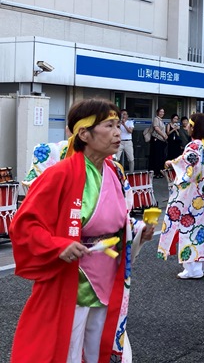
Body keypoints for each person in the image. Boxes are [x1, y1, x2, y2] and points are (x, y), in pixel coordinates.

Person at [11, 98, 155, 362]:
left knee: (98, 344)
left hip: (107, 273)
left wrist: (137, 229)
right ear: (84, 134)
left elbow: (117, 220)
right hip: (73, 277)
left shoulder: (114, 171)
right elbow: (24, 224)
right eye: (109, 125)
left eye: (117, 125)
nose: (117, 132)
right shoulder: (60, 174)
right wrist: (58, 245)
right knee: (67, 346)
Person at [158, 112, 204, 279]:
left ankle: (192, 269)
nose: (188, 127)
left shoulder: (194, 145)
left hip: (192, 194)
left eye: (190, 125)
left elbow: (187, 166)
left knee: (188, 226)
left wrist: (171, 163)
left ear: (194, 127)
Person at [150, 108, 168, 179]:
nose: (162, 113)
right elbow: (156, 128)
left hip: (161, 140)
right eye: (160, 112)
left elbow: (162, 130)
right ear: (157, 112)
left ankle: (159, 172)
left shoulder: (161, 120)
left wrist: (165, 135)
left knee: (160, 157)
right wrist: (163, 135)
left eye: (163, 112)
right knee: (156, 156)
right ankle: (156, 172)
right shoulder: (156, 119)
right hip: (156, 139)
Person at [115, 109, 134, 173]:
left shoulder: (130, 122)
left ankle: (131, 173)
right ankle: (116, 173)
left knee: (131, 159)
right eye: (122, 114)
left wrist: (124, 124)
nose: (123, 116)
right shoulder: (117, 123)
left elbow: (130, 131)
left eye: (124, 114)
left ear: (127, 116)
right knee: (116, 159)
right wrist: (119, 124)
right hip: (119, 142)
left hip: (128, 142)